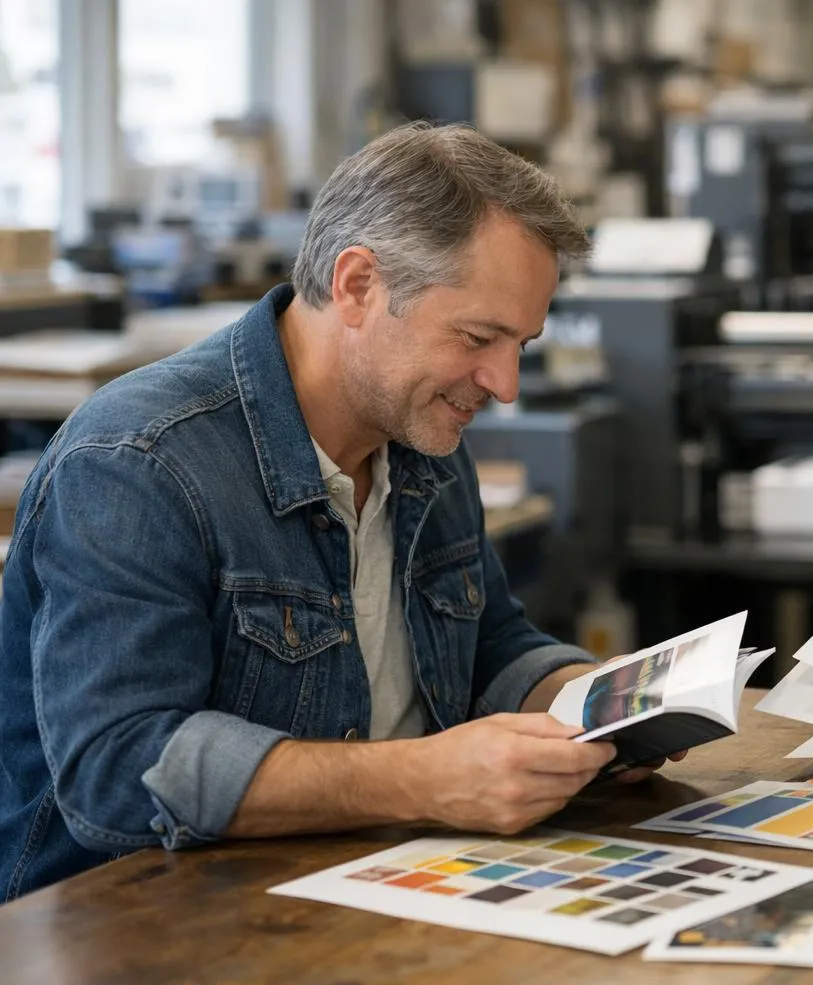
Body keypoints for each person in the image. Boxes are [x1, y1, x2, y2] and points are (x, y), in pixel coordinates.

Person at [0, 123, 674, 901]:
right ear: (357, 286)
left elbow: (487, 643)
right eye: (479, 337)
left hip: (365, 888)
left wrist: (600, 705)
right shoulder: (137, 463)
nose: (506, 383)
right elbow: (119, 772)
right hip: (133, 933)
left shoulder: (419, 434)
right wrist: (420, 779)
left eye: (521, 343)